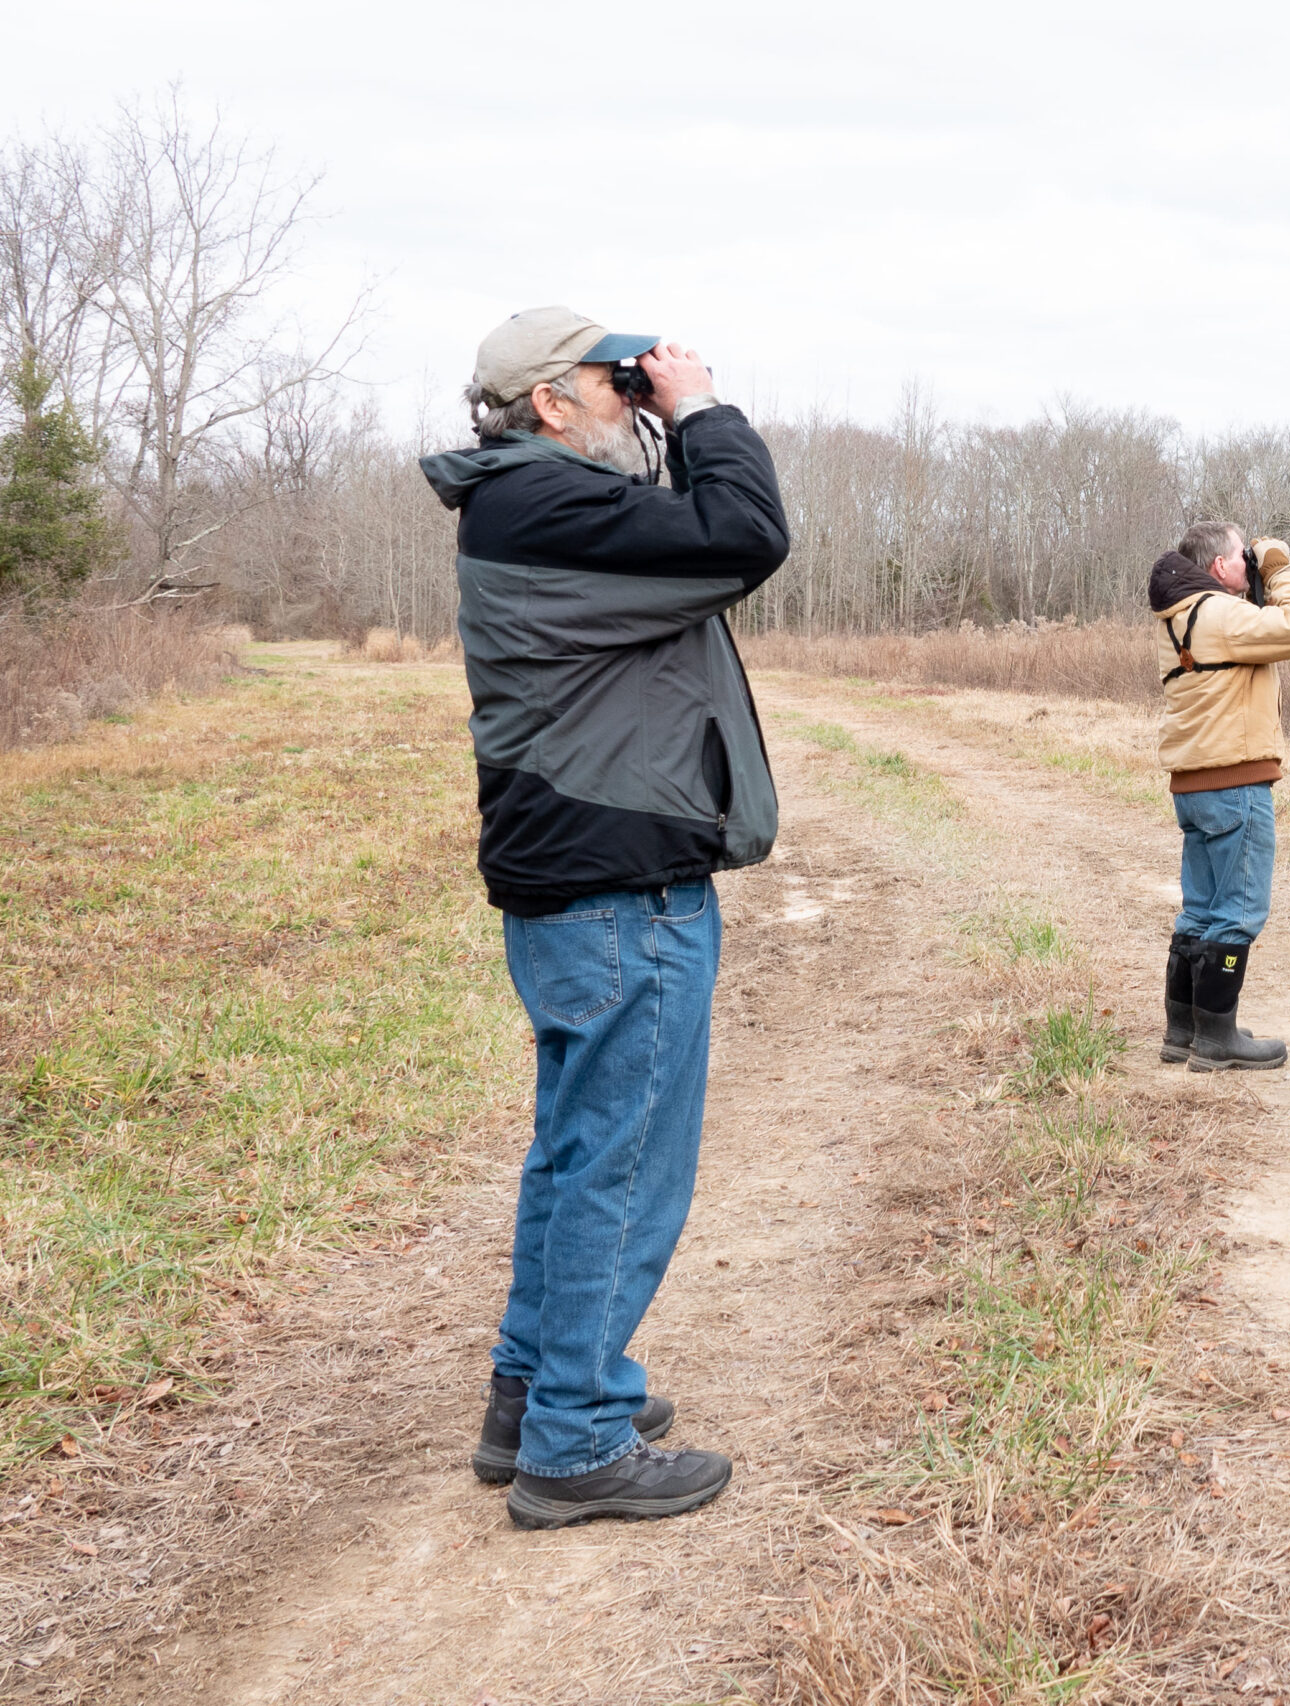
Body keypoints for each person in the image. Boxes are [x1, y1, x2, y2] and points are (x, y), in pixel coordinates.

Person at [418, 306, 790, 1529]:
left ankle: (530, 1398)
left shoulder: (529, 503)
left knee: (578, 1154)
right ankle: (575, 1441)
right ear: (548, 403)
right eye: (611, 380)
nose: (633, 395)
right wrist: (701, 409)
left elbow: (693, 539)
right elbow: (742, 534)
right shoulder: (547, 502)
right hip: (621, 892)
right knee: (623, 1166)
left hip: (583, 885)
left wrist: (661, 424)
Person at [1148, 520, 1290, 1069]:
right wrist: (1279, 568)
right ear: (1219, 566)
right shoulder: (1221, 613)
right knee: (1239, 912)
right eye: (1240, 556)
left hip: (1193, 784)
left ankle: (1184, 1029)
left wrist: (1257, 579)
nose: (1247, 563)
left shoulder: (1179, 617)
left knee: (1199, 911)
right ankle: (1219, 1038)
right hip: (1234, 782)